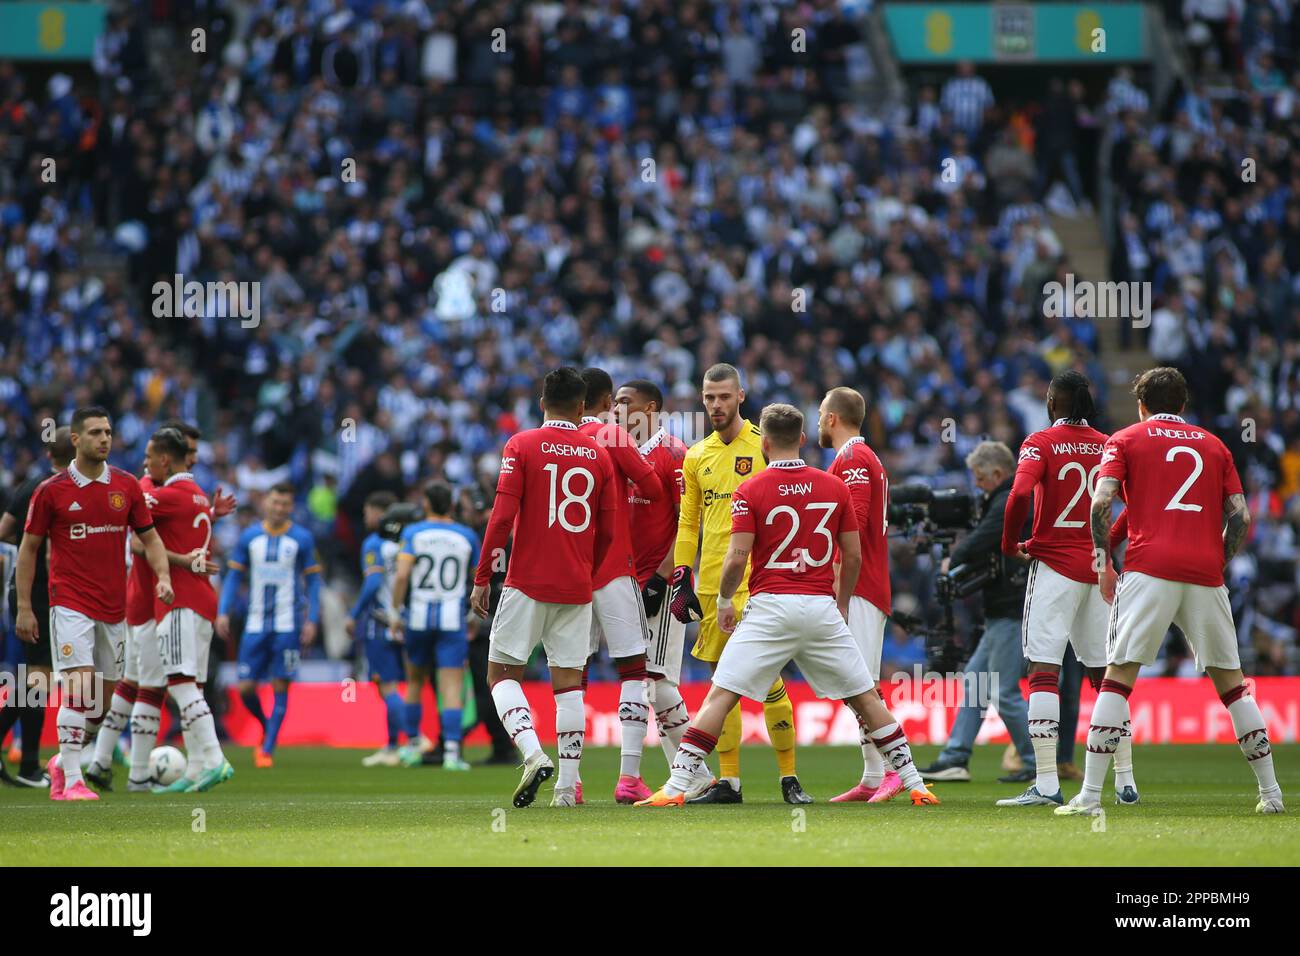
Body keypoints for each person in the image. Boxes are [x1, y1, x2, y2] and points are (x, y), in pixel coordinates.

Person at [637, 404, 939, 808]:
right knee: (865, 696)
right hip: (820, 607)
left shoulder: (751, 489)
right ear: (800, 439)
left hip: (771, 608)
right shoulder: (834, 487)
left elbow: (736, 557)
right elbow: (852, 556)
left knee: (722, 695)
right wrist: (842, 602)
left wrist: (725, 600)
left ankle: (675, 788)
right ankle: (914, 781)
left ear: (763, 441)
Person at [1058, 367, 1284, 816]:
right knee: (1234, 687)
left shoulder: (1124, 440)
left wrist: (1104, 564)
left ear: (1142, 405)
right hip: (1205, 573)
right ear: (1183, 404)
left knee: (1118, 678)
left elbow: (1101, 502)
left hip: (1148, 570)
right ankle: (1271, 794)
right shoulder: (1215, 445)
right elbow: (1239, 517)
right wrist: (1215, 559)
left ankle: (1088, 797)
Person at [470, 367, 618, 808]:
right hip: (576, 583)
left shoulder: (522, 445)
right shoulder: (598, 454)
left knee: (501, 673)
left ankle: (533, 754)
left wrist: (483, 576)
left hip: (527, 580)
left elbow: (500, 518)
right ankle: (567, 790)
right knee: (569, 683)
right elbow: (608, 531)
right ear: (581, 407)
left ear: (541, 404)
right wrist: (587, 569)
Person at [15, 407, 175, 802]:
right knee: (79, 689)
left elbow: (151, 539)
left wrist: (165, 577)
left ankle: (60, 762)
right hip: (69, 603)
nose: (105, 439)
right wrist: (23, 606)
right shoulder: (50, 491)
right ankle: (70, 781)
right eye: (95, 433)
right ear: (76, 440)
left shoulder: (126, 487)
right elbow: (28, 549)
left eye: (108, 432)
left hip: (113, 608)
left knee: (100, 707)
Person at [997, 370, 1138, 808]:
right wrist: (1106, 544)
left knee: (1043, 670)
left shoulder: (1039, 443)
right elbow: (1133, 508)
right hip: (1097, 567)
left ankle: (1046, 783)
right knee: (1106, 678)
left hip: (1054, 563)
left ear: (1053, 403)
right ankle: (1126, 781)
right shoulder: (1109, 443)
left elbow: (1019, 493)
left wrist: (1009, 544)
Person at [669, 363, 806, 805]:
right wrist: (680, 573)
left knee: (768, 680)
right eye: (709, 397)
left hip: (759, 582)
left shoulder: (763, 445)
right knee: (720, 684)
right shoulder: (696, 455)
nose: (715, 405)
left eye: (724, 396)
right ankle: (729, 783)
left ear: (740, 396)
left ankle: (789, 777)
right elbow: (688, 521)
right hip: (711, 585)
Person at [87, 420, 234, 791]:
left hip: (171, 600)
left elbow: (136, 535)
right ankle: (138, 767)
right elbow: (149, 537)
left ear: (164, 460)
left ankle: (139, 769)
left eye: (150, 457)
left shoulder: (159, 494)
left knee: (157, 684)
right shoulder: (182, 492)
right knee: (145, 684)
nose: (196, 459)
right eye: (192, 453)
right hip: (156, 600)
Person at [918, 441, 1037, 784]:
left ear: (998, 474)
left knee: (1002, 690)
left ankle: (1035, 758)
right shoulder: (1004, 498)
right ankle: (955, 758)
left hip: (1010, 607)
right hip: (1005, 606)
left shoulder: (1009, 499)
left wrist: (951, 561)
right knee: (974, 681)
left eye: (980, 478)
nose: (977, 485)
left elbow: (986, 538)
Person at [614, 378, 711, 796]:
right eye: (614, 402)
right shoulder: (615, 451)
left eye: (624, 402)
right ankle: (694, 776)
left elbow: (689, 524)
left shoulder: (674, 454)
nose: (616, 409)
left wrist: (663, 576)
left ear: (649, 407)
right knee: (650, 681)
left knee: (654, 678)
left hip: (661, 582)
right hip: (621, 583)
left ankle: (691, 775)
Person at [577, 367, 664, 804]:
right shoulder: (614, 437)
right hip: (614, 567)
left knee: (572, 670)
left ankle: (569, 782)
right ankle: (628, 778)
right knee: (634, 668)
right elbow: (651, 485)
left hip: (569, 570)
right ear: (608, 401)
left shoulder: (549, 441)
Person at [817, 387, 905, 803]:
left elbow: (852, 525)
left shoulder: (852, 459)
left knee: (864, 684)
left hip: (860, 586)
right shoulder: (859, 457)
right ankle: (873, 776)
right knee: (856, 681)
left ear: (833, 418)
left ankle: (891, 770)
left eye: (820, 413)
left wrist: (840, 589)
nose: (817, 421)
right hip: (864, 583)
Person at [135, 427, 233, 793]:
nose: (145, 466)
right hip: (202, 600)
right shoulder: (196, 494)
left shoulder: (168, 494)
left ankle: (214, 758)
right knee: (192, 684)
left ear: (163, 460)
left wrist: (140, 482)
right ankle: (194, 769)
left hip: (179, 601)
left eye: (148, 459)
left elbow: (133, 512)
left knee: (179, 684)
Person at [218, 482, 322, 768]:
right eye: (275, 502)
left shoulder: (302, 539)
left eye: (285, 504)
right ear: (266, 502)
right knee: (246, 688)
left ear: (291, 507)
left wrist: (312, 620)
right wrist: (223, 611)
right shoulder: (250, 537)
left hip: (288, 624)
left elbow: (314, 582)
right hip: (254, 623)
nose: (279, 508)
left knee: (280, 684)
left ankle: (267, 747)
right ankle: (266, 727)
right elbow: (233, 578)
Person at [0, 427, 76, 787]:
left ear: (49, 455)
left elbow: (3, 531)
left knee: (37, 680)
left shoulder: (31, 485)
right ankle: (29, 764)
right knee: (39, 679)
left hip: (29, 591)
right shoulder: (63, 490)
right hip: (41, 594)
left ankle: (30, 765)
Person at [390, 480, 480, 771]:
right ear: (451, 505)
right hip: (452, 619)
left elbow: (402, 576)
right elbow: (477, 578)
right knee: (450, 685)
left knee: (414, 681)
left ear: (426, 503)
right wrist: (475, 615)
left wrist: (394, 611)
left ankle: (413, 746)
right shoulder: (466, 535)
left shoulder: (413, 532)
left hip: (418, 616)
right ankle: (452, 753)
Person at [347, 491, 405, 766]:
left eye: (367, 511)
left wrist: (353, 614)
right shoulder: (405, 541)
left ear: (379, 515)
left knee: (387, 685)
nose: (364, 517)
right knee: (409, 684)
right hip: (405, 621)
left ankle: (403, 744)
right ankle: (398, 744)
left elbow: (372, 584)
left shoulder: (373, 543)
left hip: (381, 622)